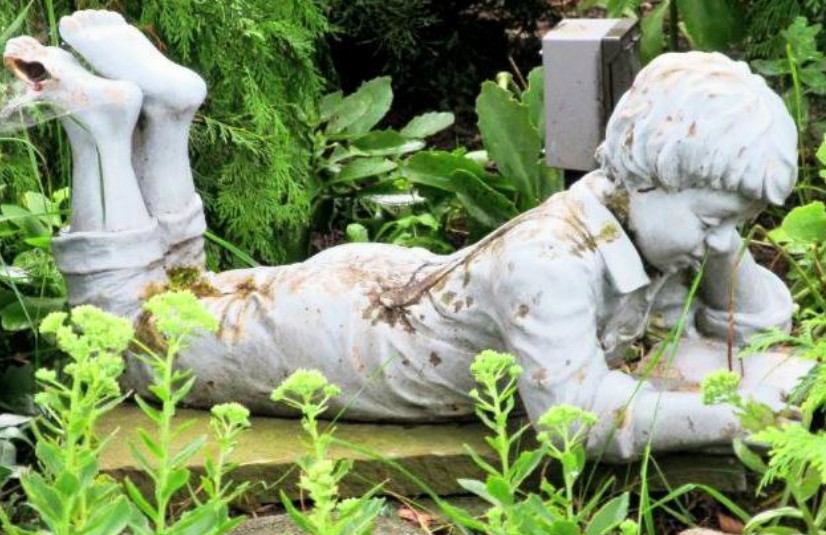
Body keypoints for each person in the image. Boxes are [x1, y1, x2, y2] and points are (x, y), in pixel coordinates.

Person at [2, 10, 800, 461]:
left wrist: (721, 244)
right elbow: (583, 419)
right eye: (715, 221)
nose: (723, 243)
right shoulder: (553, 263)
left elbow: (759, 329)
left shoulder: (634, 219)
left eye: (736, 225)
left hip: (382, 296)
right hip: (346, 337)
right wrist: (737, 416)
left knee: (189, 299)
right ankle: (102, 128)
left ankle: (171, 114)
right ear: (649, 176)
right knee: (129, 336)